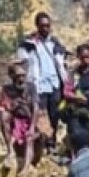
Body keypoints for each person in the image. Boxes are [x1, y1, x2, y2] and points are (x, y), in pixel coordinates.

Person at [16, 12, 68, 150]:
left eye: (48, 26)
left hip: (54, 84)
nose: (45, 28)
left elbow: (62, 61)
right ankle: (43, 144)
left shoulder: (54, 42)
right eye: (42, 26)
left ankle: (52, 142)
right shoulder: (29, 44)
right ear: (37, 26)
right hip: (39, 85)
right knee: (40, 115)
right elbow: (21, 62)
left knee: (54, 115)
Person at [0, 62, 43, 175]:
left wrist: (31, 127)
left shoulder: (31, 87)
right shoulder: (7, 89)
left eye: (23, 75)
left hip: (29, 119)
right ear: (12, 76)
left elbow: (36, 108)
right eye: (18, 76)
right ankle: (10, 151)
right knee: (4, 116)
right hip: (15, 120)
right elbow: (2, 107)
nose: (21, 79)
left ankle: (26, 167)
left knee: (30, 137)